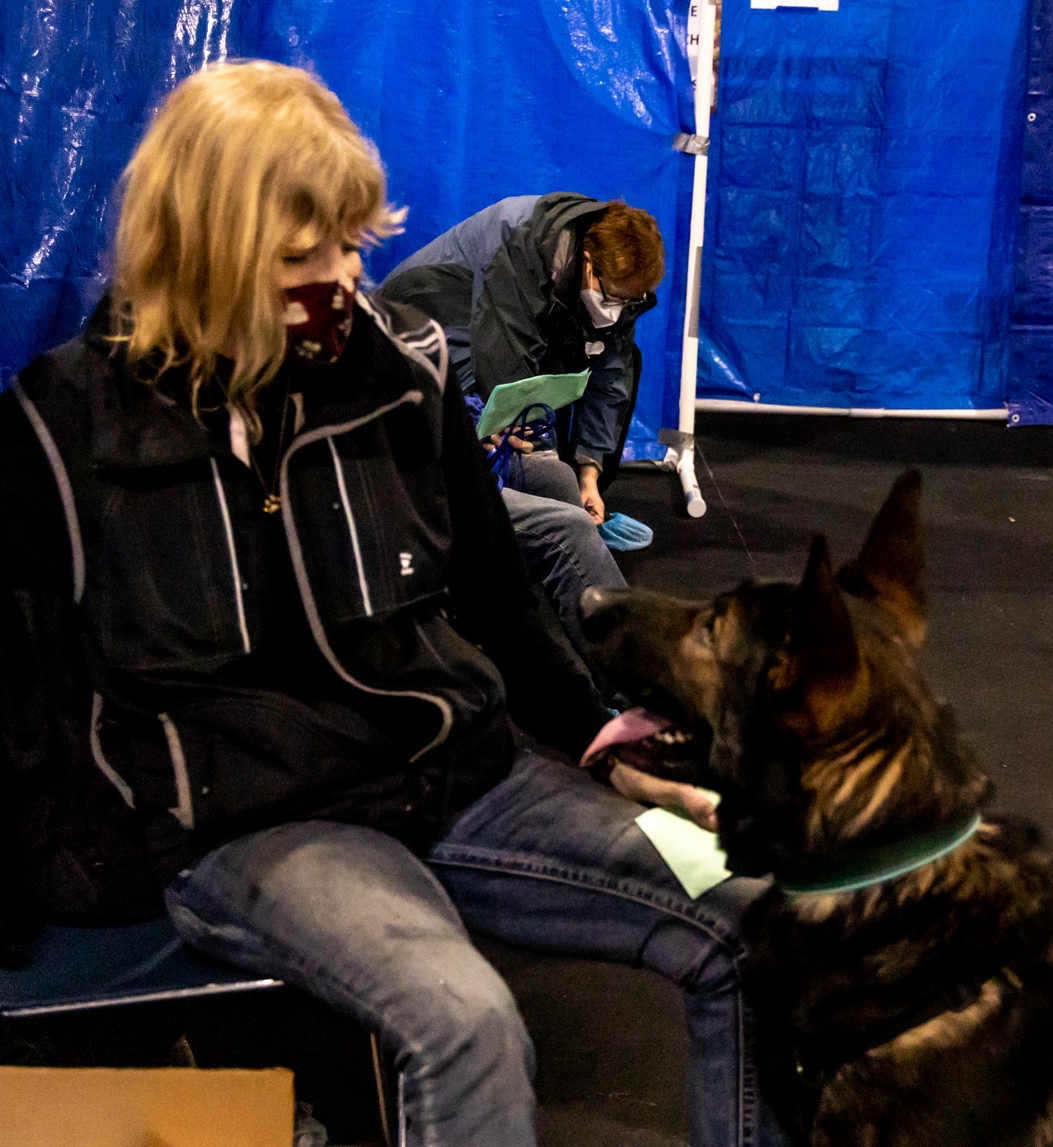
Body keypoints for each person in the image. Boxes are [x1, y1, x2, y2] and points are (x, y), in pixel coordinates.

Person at [0, 61, 778, 1147]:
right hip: (266, 821)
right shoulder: (63, 432)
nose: (344, 281)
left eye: (352, 244)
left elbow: (501, 600)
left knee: (754, 917)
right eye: (303, 257)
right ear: (201, 253)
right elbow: (18, 690)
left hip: (448, 767)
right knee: (467, 1022)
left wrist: (599, 741)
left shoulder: (401, 377)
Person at [379, 193, 664, 525]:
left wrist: (589, 474)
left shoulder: (621, 283)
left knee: (614, 360)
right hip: (422, 315)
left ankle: (574, 499)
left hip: (493, 321)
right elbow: (507, 366)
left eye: (628, 302)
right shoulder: (521, 247)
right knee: (502, 426)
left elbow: (611, 374)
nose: (617, 311)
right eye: (613, 297)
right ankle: (509, 509)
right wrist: (544, 464)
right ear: (588, 264)